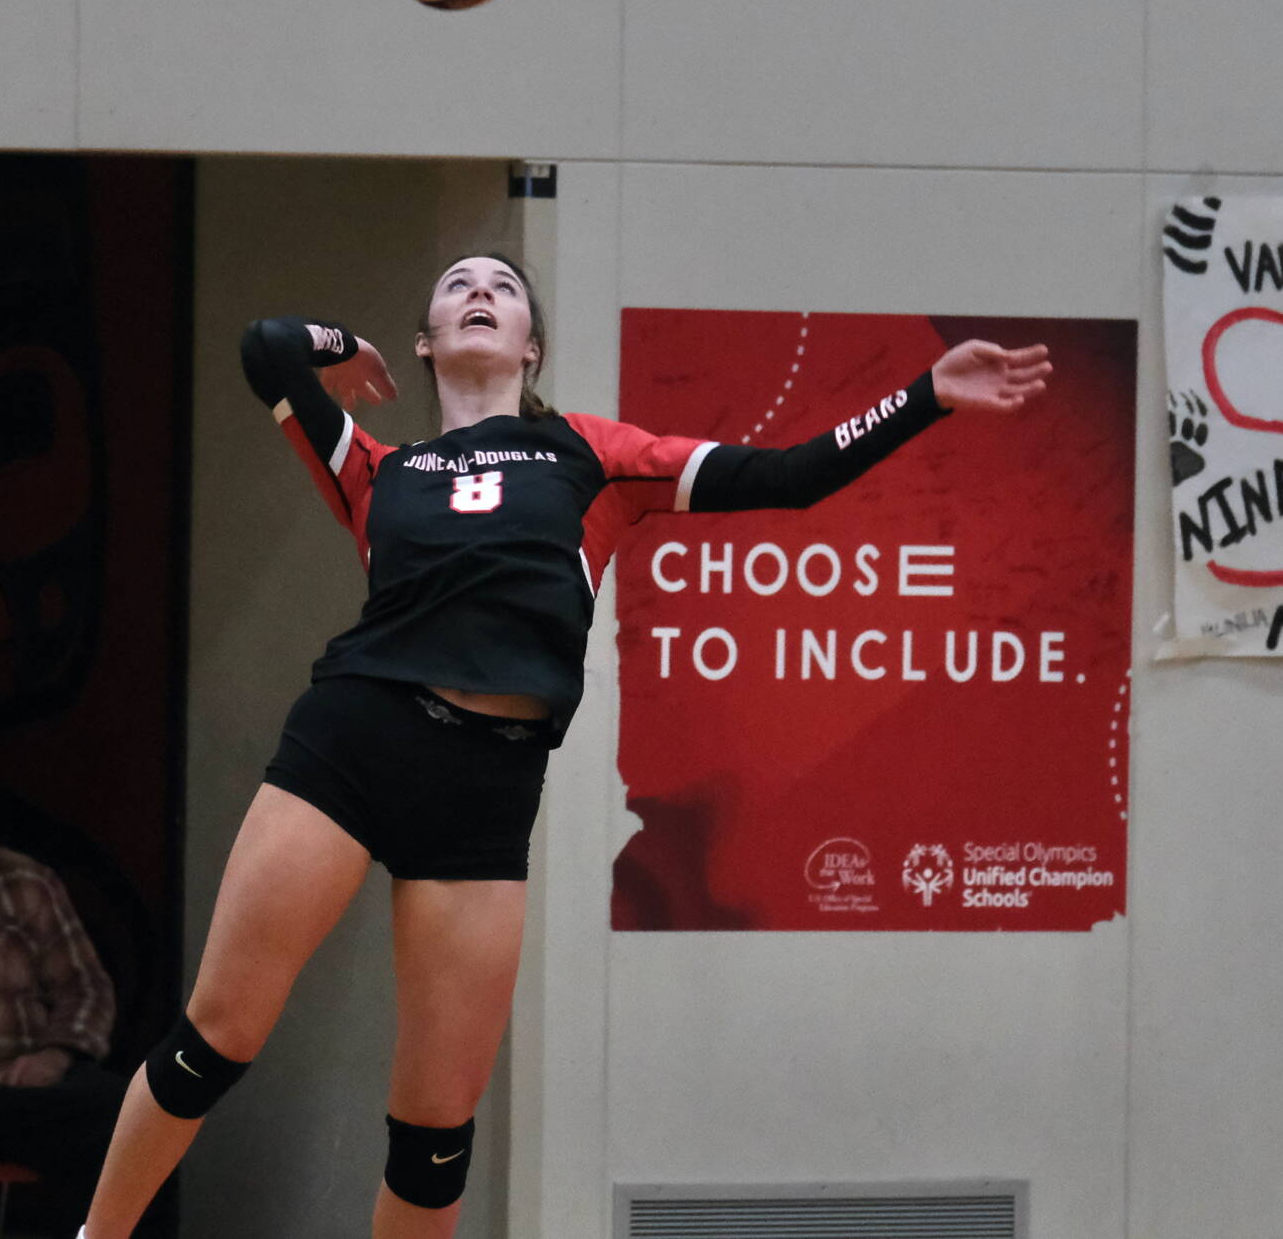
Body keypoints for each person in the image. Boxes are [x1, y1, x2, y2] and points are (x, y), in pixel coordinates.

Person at [80, 253, 1050, 1239]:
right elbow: (266, 350)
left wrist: (925, 394)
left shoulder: (592, 455)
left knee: (433, 1136)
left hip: (485, 791)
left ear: (530, 345)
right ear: (426, 341)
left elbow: (789, 476)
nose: (478, 296)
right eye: (456, 287)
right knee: (217, 1039)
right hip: (350, 745)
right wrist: (345, 349)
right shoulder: (379, 469)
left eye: (501, 290)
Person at [0, 843, 128, 1238]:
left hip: (30, 1089)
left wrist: (56, 1054)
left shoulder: (26, 879)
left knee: (129, 1117)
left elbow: (86, 988)